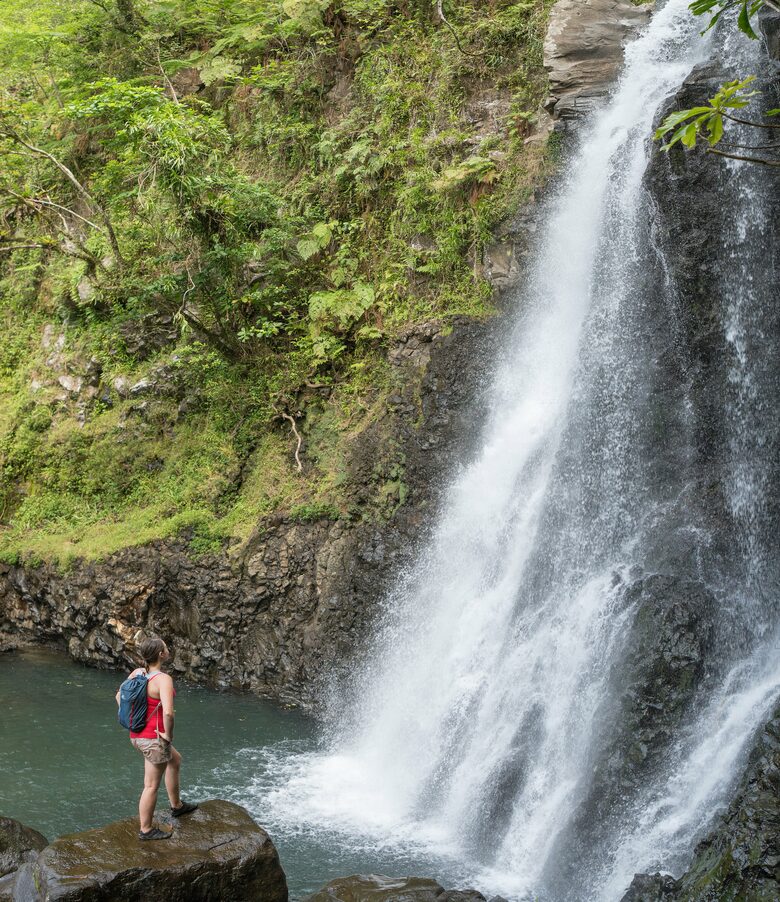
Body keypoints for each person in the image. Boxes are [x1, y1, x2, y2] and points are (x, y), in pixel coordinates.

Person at [115, 635, 198, 840]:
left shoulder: (137, 673)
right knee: (151, 785)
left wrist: (135, 720)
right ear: (161, 654)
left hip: (138, 734)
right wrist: (167, 735)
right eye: (166, 647)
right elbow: (169, 713)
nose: (168, 649)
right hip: (153, 739)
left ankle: (176, 805)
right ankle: (145, 830)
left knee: (174, 760)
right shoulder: (163, 680)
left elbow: (119, 697)